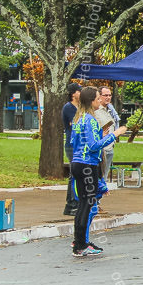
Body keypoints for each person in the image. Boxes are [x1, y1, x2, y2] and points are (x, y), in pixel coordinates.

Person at [70, 86, 127, 256]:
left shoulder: (78, 119)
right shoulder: (90, 120)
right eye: (97, 98)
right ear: (91, 101)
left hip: (78, 163)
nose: (99, 101)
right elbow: (94, 146)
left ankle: (79, 241)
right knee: (87, 205)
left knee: (83, 204)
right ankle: (80, 244)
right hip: (88, 164)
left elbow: (75, 141)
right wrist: (114, 134)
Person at [62, 82, 82, 216]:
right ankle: (71, 203)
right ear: (73, 94)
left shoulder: (81, 107)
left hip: (80, 144)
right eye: (79, 91)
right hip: (72, 144)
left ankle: (75, 201)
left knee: (77, 174)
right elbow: (74, 123)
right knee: (74, 174)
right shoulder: (69, 107)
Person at [93, 87, 118, 181]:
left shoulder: (110, 110)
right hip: (100, 149)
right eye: (105, 95)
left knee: (104, 178)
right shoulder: (95, 111)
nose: (108, 97)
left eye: (109, 95)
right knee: (98, 178)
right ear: (99, 96)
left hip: (110, 147)